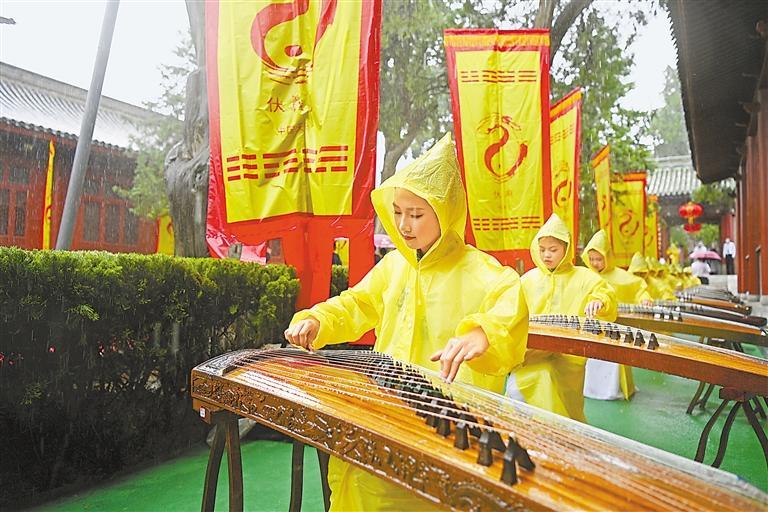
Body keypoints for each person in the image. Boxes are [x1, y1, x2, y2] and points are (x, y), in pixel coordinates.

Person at [284, 134, 529, 511]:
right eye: (398, 212)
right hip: (388, 410)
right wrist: (319, 319)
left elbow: (508, 308)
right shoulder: (394, 266)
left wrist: (484, 332)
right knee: (368, 487)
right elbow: (357, 303)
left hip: (448, 426)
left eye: (416, 215)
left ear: (444, 212)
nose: (403, 225)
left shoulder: (482, 272)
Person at [504, 214, 617, 422]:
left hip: (568, 357)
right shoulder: (528, 279)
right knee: (527, 383)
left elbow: (603, 292)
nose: (546, 255)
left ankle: (563, 434)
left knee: (567, 400)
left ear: (566, 249)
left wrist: (598, 300)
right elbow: (509, 307)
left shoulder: (583, 277)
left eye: (553, 250)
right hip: (533, 353)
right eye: (542, 249)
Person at [581, 230, 652, 401]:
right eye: (591, 259)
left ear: (608, 257)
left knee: (612, 359)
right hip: (590, 325)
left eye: (599, 259)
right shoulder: (585, 275)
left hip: (614, 325)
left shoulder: (621, 276)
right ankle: (591, 389)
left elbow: (638, 286)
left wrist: (644, 298)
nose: (595, 263)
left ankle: (611, 390)